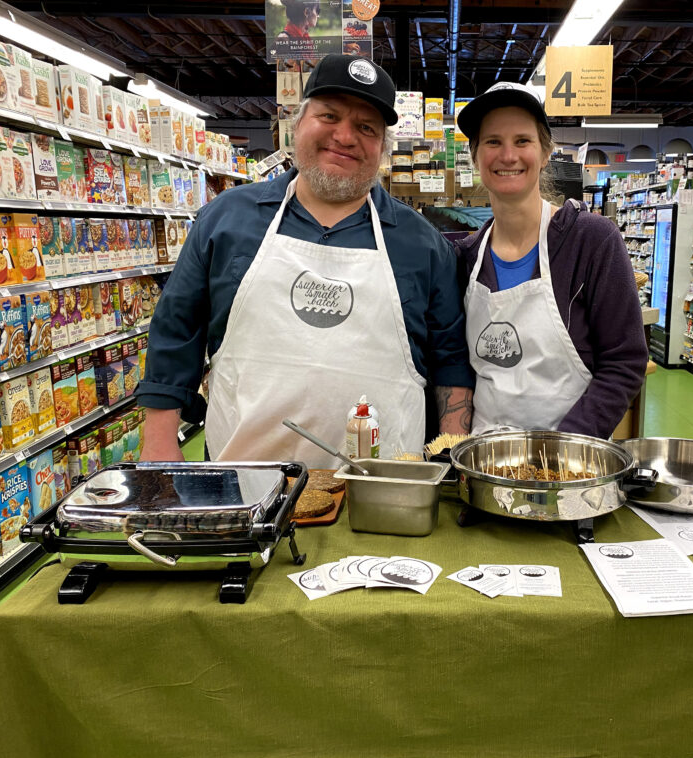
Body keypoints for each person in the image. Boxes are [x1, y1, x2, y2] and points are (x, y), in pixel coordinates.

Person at [137, 54, 473, 468]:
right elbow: (176, 331)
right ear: (296, 124)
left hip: (385, 491)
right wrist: (159, 444)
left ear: (382, 148)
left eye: (366, 127)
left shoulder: (421, 243)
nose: (345, 136)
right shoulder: (226, 219)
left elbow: (451, 361)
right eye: (329, 115)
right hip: (243, 479)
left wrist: (454, 456)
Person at [454, 82, 648, 438]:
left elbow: (625, 361)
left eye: (522, 141)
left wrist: (563, 449)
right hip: (482, 461)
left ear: (545, 153)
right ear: (475, 156)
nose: (508, 155)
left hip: (570, 465)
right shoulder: (466, 259)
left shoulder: (592, 241)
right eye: (493, 141)